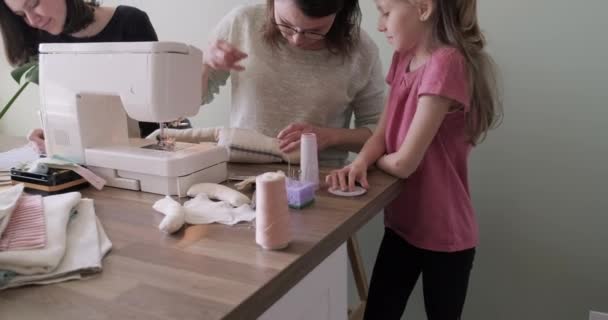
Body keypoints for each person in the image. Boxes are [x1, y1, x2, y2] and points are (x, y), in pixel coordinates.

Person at [326, 0, 502, 318]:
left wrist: (375, 161)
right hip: (403, 225)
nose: (380, 25)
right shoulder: (403, 58)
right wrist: (359, 163)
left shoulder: (446, 63)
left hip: (445, 234)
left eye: (386, 12)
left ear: (423, 8)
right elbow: (380, 135)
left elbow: (405, 163)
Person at [201, 0, 385, 166]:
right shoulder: (242, 23)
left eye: (315, 31)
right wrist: (205, 64)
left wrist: (329, 137)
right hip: (241, 169)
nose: (297, 39)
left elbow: (379, 133)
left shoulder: (361, 50)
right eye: (286, 24)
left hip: (320, 178)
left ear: (340, 11)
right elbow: (195, 101)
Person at [0, 0, 176, 153]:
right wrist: (53, 134)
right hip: (98, 152)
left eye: (34, 4)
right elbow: (76, 110)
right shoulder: (43, 39)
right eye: (21, 14)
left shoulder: (130, 22)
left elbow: (156, 104)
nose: (32, 20)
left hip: (149, 141)